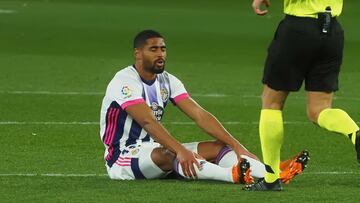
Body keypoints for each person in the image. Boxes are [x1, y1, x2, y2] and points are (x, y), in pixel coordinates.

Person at [99, 29, 308, 185]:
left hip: (152, 149)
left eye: (163, 49)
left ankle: (270, 173)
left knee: (219, 147)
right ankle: (232, 175)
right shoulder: (125, 81)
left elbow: (199, 115)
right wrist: (181, 150)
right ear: (138, 53)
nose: (160, 54)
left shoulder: (167, 80)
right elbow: (147, 121)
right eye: (153, 49)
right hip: (122, 157)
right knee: (169, 153)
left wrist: (236, 146)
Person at [248, 0, 360, 191]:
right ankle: (356, 134)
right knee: (320, 109)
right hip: (332, 31)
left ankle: (271, 178)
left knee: (272, 103)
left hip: (298, 29)